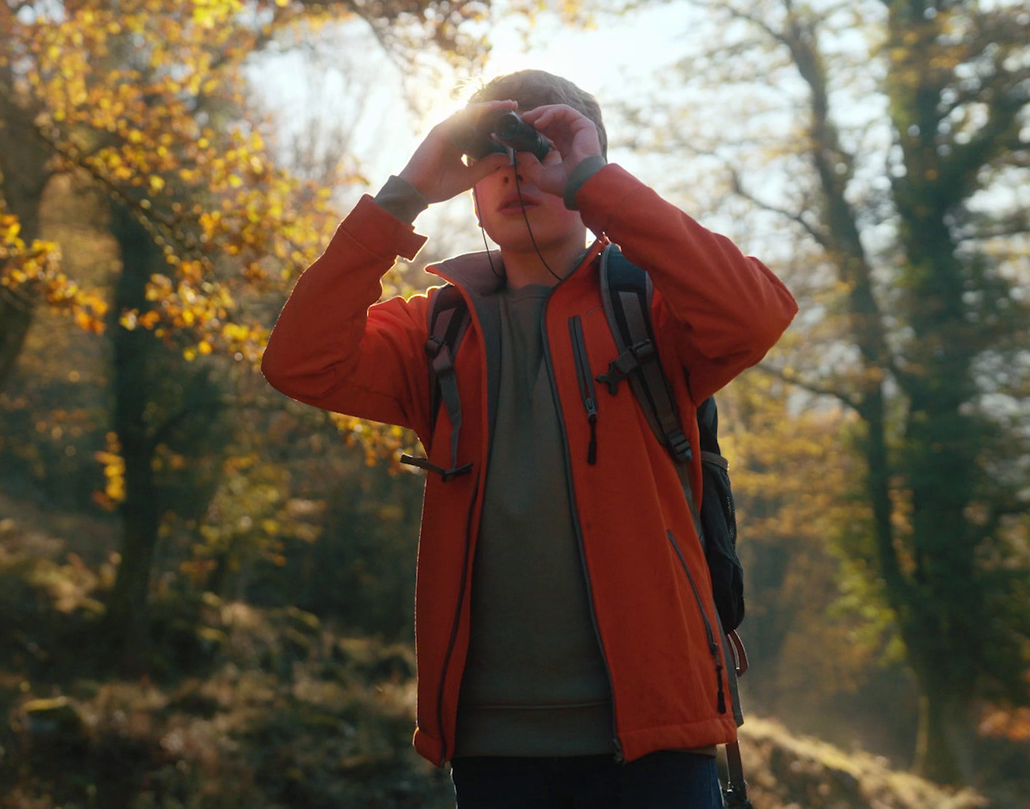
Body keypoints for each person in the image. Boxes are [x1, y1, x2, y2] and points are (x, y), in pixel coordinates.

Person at [261, 70, 797, 808]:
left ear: (589, 178)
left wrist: (598, 179)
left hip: (654, 738)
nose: (518, 169)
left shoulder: (654, 310)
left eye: (547, 150)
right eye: (493, 154)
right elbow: (300, 361)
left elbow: (756, 314)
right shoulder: (435, 331)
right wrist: (405, 192)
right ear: (471, 189)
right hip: (493, 744)